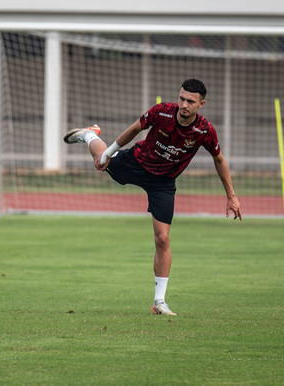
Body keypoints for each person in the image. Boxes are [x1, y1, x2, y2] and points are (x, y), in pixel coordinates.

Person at [63, 78, 241, 316]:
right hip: (137, 162)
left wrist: (231, 196)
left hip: (163, 183)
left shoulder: (205, 131)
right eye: (182, 98)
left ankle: (159, 301)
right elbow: (136, 128)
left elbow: (219, 159)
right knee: (101, 162)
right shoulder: (162, 112)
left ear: (201, 104)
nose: (184, 105)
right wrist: (108, 153)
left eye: (190, 101)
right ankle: (90, 136)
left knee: (163, 238)